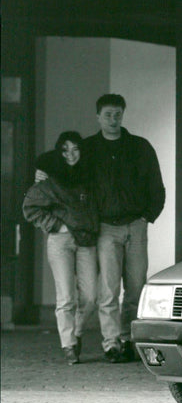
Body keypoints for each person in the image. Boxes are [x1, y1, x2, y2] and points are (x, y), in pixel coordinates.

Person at [36, 94, 165, 363]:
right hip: (105, 228)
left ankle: (129, 339)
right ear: (98, 117)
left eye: (117, 114)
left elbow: (156, 186)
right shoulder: (89, 148)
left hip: (136, 226)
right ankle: (111, 343)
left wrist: (147, 216)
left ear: (123, 115)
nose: (113, 119)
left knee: (136, 287)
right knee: (107, 290)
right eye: (107, 114)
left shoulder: (140, 147)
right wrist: (40, 173)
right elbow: (62, 160)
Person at [23, 132, 99, 365]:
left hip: (87, 240)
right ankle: (69, 345)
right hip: (61, 241)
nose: (70, 155)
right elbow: (30, 208)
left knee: (90, 297)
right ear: (59, 152)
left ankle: (75, 332)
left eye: (75, 149)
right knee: (65, 297)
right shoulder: (49, 179)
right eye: (65, 150)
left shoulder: (90, 175)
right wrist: (58, 226)